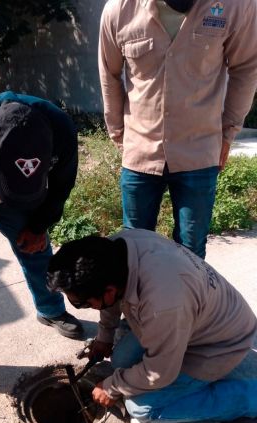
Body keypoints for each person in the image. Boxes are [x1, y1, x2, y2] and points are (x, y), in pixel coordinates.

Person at [98, 0, 257, 259]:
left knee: (191, 253)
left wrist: (228, 131)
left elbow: (247, 68)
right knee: (134, 250)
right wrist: (118, 135)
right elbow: (109, 73)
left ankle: (188, 301)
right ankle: (142, 301)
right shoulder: (120, 9)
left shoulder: (233, 6)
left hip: (199, 152)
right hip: (140, 153)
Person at [47, 229, 257, 423]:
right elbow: (107, 298)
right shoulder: (114, 250)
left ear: (109, 291)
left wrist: (112, 387)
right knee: (120, 360)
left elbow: (160, 373)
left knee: (141, 408)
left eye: (82, 303)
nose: (81, 306)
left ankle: (247, 397)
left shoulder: (162, 305)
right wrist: (104, 336)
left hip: (219, 345)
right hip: (194, 318)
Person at [0, 91, 83, 338]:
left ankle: (50, 310)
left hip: (14, 196)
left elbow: (62, 185)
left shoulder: (60, 131)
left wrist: (38, 225)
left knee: (35, 247)